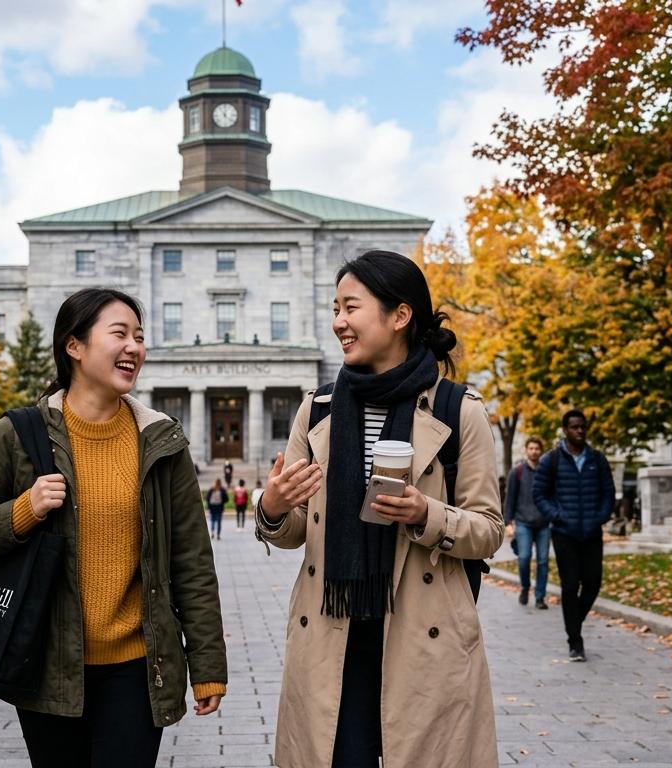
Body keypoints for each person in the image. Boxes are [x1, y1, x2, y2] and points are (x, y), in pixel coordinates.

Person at [0, 287, 227, 767]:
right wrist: (24, 509)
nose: (134, 347)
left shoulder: (161, 441)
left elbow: (192, 561)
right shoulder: (18, 434)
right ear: (73, 346)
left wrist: (207, 666)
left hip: (138, 667)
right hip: (49, 663)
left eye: (139, 337)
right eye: (119, 333)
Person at [255, 250, 503, 767]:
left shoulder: (460, 410)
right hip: (332, 635)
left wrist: (425, 514)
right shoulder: (317, 409)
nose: (338, 322)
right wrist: (273, 508)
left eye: (351, 308)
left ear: (399, 316)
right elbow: (296, 528)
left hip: (422, 637)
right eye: (335, 309)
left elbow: (487, 531)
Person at [533, 409, 615, 663]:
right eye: (575, 427)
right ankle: (575, 642)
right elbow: (540, 494)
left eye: (583, 427)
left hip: (591, 531)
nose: (580, 431)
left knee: (592, 583)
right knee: (570, 586)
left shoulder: (597, 459)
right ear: (565, 430)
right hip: (565, 532)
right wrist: (557, 516)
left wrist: (599, 517)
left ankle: (573, 622)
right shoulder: (552, 460)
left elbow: (608, 494)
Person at [505, 437, 550, 609]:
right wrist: (508, 521)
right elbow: (510, 499)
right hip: (523, 522)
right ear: (526, 450)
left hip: (543, 523)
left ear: (541, 451)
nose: (534, 451)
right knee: (524, 558)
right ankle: (525, 587)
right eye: (531, 448)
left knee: (543, 561)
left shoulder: (546, 473)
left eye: (537, 448)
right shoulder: (517, 472)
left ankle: (540, 597)